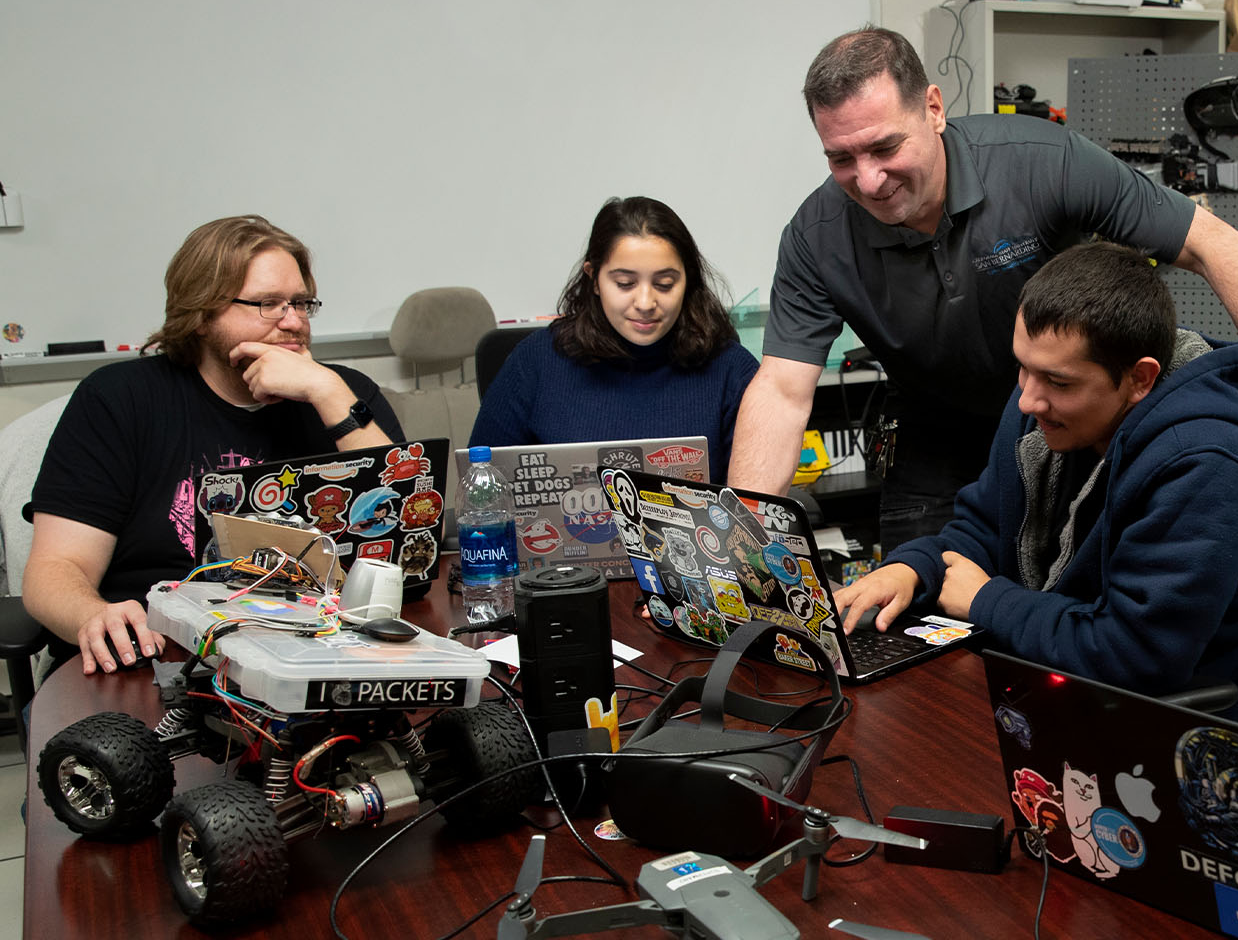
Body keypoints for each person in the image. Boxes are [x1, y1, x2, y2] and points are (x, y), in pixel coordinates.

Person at [730, 27, 1238, 547]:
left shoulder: (1042, 163)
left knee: (1067, 619)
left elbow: (1216, 245)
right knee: (915, 621)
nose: (868, 180)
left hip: (1074, 423)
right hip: (939, 437)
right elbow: (783, 391)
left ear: (932, 109)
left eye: (883, 148)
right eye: (841, 158)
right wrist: (741, 537)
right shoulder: (816, 236)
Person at [834, 242, 1238, 702]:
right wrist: (911, 570)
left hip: (1145, 718)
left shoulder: (1204, 466)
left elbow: (1137, 656)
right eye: (1023, 368)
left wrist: (987, 602)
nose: (1027, 400)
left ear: (1139, 379)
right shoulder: (1045, 413)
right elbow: (984, 530)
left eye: (1059, 383)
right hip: (1042, 677)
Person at [24, 215, 402, 675]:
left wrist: (329, 395)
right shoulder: (120, 399)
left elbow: (407, 533)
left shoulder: (344, 393)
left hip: (320, 654)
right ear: (202, 314)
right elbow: (55, 569)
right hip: (160, 658)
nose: (294, 322)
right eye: (268, 304)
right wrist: (92, 614)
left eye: (302, 303)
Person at [471, 196, 758, 480]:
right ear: (594, 279)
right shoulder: (535, 363)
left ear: (688, 280)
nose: (645, 303)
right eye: (625, 283)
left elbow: (757, 499)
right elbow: (479, 484)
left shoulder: (731, 371)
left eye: (664, 284)